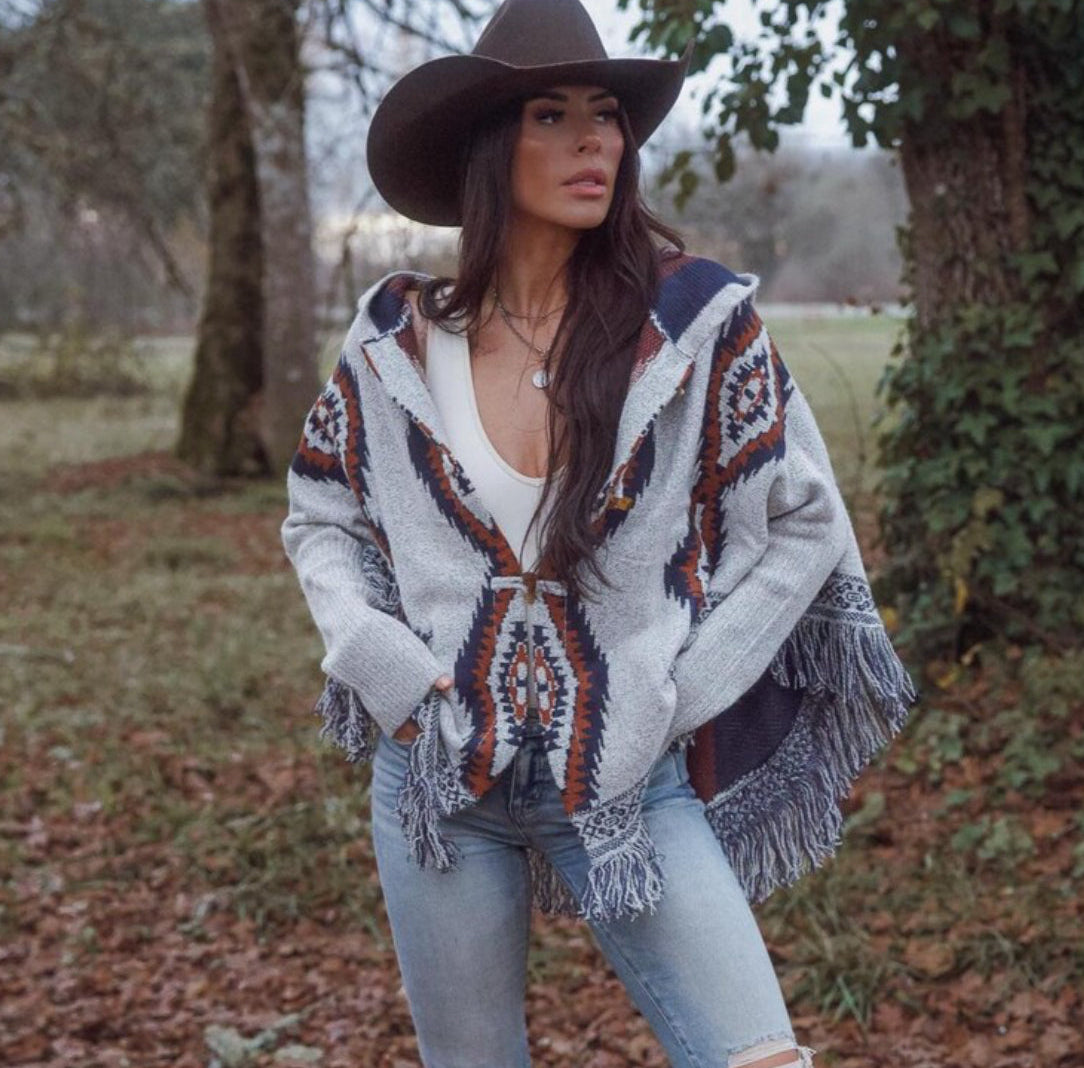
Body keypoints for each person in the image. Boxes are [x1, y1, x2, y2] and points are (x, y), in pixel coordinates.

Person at [280, 0, 917, 1065]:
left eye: (607, 116)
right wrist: (371, 652)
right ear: (491, 145)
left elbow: (799, 523)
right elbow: (323, 510)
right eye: (551, 114)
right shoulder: (398, 332)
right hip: (438, 775)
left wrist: (677, 685)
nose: (595, 142)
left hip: (624, 780)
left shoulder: (693, 323)